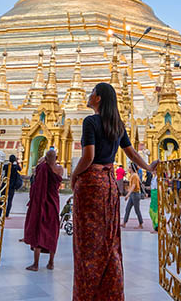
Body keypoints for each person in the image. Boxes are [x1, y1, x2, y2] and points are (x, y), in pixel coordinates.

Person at [70, 82, 157, 301]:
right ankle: (110, 293)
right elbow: (133, 154)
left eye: (91, 93)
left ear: (98, 98)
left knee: (88, 243)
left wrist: (74, 175)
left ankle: (87, 294)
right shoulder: (118, 124)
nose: (88, 96)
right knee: (109, 240)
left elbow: (88, 157)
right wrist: (149, 168)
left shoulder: (90, 122)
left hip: (91, 183)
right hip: (109, 185)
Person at [23, 148, 63, 271]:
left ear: (45, 159)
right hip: (54, 203)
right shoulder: (60, 169)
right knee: (52, 232)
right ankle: (51, 263)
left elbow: (36, 184)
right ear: (56, 158)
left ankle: (36, 264)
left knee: (39, 231)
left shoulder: (42, 168)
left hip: (42, 203)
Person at [121, 163, 144, 228]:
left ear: (132, 168)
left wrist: (127, 195)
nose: (128, 169)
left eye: (129, 167)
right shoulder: (132, 175)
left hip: (135, 194)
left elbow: (133, 186)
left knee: (137, 210)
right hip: (132, 194)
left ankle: (141, 224)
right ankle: (124, 223)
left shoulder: (135, 176)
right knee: (127, 208)